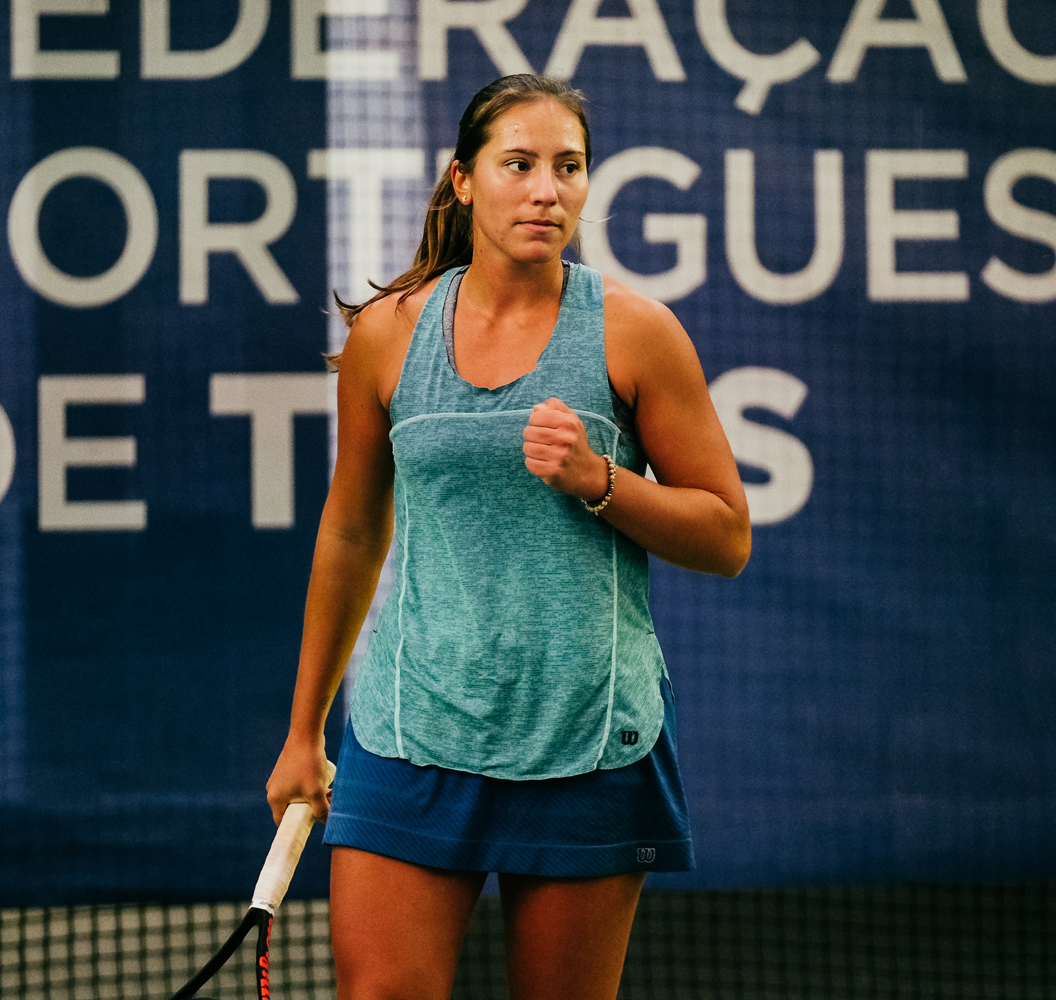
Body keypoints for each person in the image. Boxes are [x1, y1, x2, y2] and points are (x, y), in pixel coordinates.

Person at [266, 74, 750, 1000]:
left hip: (589, 735)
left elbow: (726, 535)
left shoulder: (638, 334)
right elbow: (352, 531)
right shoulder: (386, 335)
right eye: (518, 164)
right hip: (408, 731)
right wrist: (303, 731)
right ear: (463, 180)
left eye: (568, 168)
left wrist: (601, 482)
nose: (546, 189)